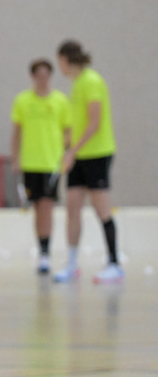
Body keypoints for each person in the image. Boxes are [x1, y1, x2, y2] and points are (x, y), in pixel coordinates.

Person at [52, 40, 123, 284]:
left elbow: (94, 122)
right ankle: (72, 263)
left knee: (101, 207)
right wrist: (68, 148)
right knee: (72, 206)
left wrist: (74, 151)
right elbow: (79, 123)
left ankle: (114, 263)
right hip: (79, 156)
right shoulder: (76, 84)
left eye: (59, 60)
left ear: (65, 59)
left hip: (97, 153)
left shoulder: (91, 81)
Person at [9, 58, 71, 274]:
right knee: (36, 208)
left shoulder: (60, 101)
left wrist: (66, 153)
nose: (43, 80)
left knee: (47, 206)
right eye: (39, 76)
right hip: (30, 163)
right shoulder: (23, 101)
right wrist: (15, 158)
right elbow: (17, 132)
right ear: (33, 77)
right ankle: (41, 249)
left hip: (51, 163)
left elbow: (68, 131)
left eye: (46, 75)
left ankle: (46, 253)